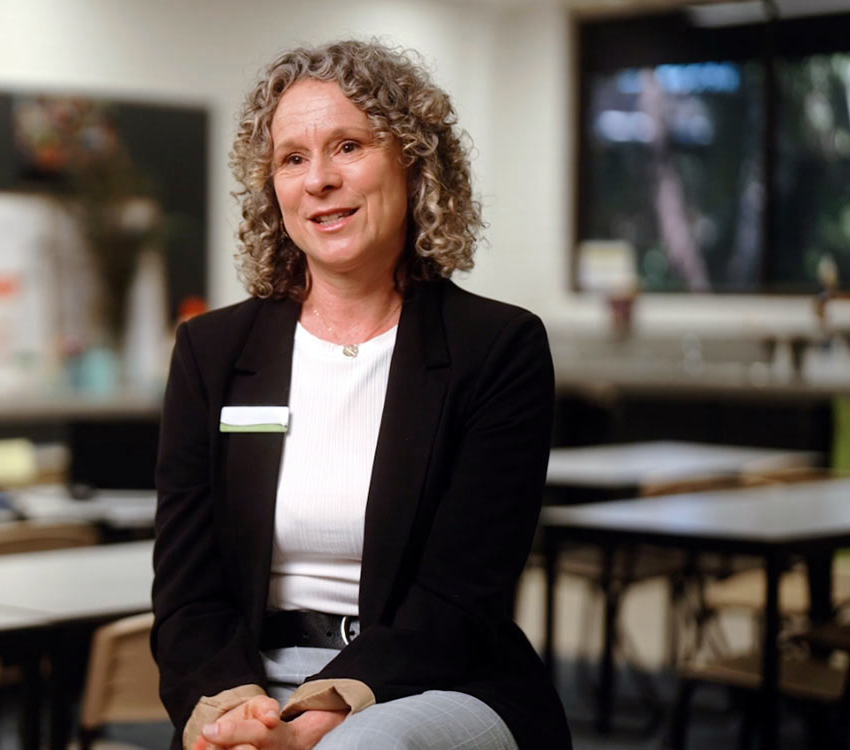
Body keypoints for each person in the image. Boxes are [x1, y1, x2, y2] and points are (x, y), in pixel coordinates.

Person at [151, 39, 570, 750]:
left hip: (438, 678)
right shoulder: (211, 353)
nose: (318, 180)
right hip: (250, 680)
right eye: (292, 158)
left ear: (414, 164)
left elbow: (462, 597)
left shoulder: (495, 348)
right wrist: (237, 712)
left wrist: (315, 720)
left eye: (347, 146)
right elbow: (187, 591)